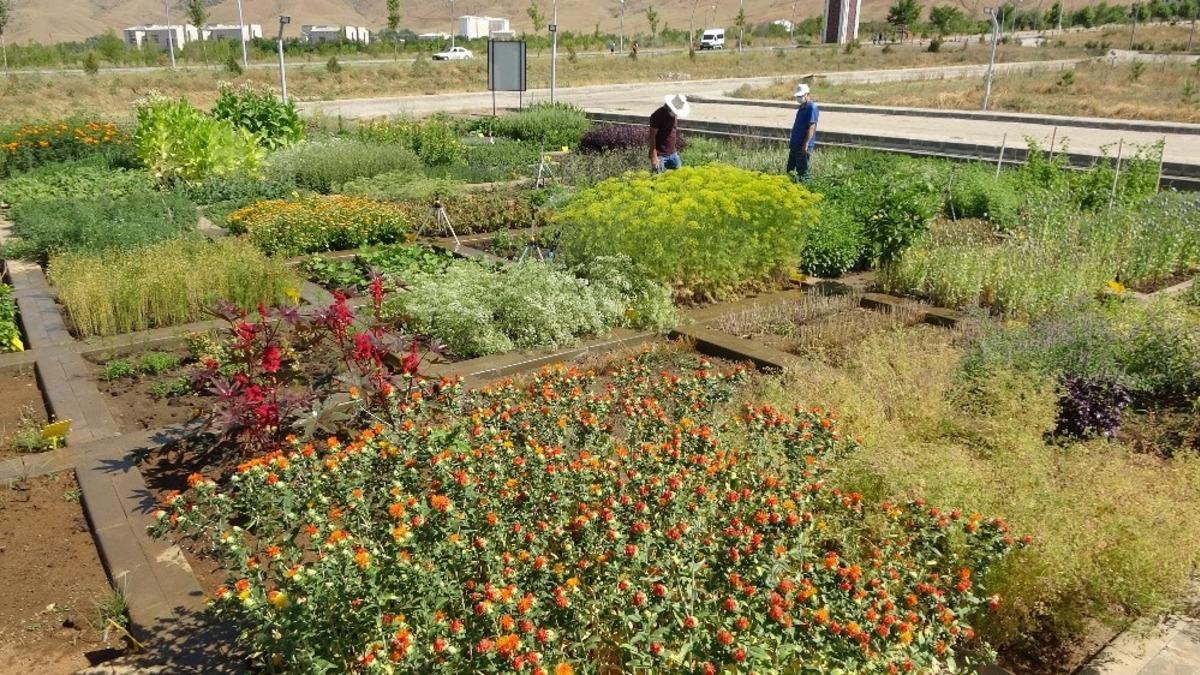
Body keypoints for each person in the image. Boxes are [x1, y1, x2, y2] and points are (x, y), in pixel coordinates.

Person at [649, 93, 689, 173]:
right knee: (658, 180)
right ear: (669, 106)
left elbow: (672, 131)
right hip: (660, 156)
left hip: (673, 153)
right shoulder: (657, 115)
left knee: (679, 176)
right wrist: (654, 156)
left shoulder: (673, 115)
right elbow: (652, 136)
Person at [787, 84, 818, 181]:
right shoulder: (802, 107)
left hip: (802, 145)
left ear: (807, 94)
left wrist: (806, 144)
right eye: (797, 97)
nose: (799, 98)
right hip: (795, 144)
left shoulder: (811, 107)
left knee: (802, 172)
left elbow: (811, 126)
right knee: (789, 170)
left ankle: (807, 190)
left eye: (800, 96)